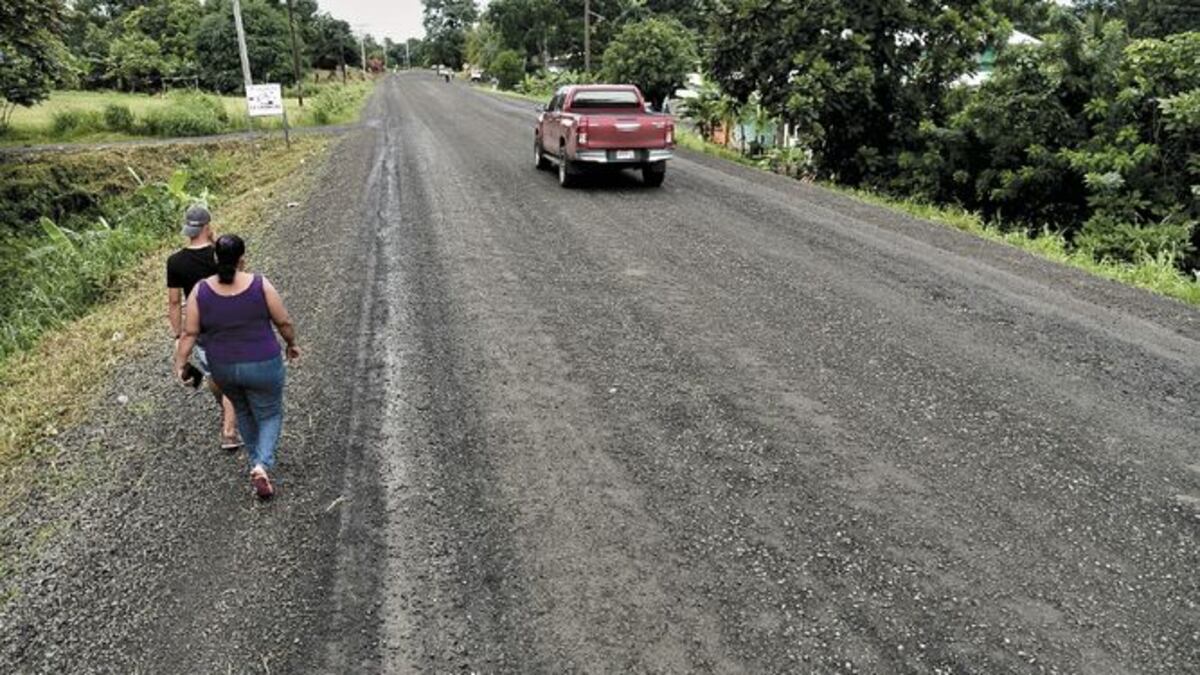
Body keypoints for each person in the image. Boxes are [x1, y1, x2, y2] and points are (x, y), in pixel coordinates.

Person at [173, 235, 300, 499]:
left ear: (216, 258)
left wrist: (181, 363)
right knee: (269, 414)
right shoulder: (259, 284)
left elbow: (189, 333)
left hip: (224, 367)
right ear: (243, 257)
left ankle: (256, 463)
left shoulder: (200, 290)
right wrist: (291, 343)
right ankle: (261, 464)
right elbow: (283, 321)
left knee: (243, 410)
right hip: (263, 362)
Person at [166, 205, 240, 451]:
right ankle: (229, 432)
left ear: (188, 229)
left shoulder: (175, 262)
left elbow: (175, 302)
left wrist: (178, 336)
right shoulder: (219, 255)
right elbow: (240, 274)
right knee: (230, 375)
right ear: (207, 227)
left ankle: (227, 408)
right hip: (226, 320)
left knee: (211, 373)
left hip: (197, 326)